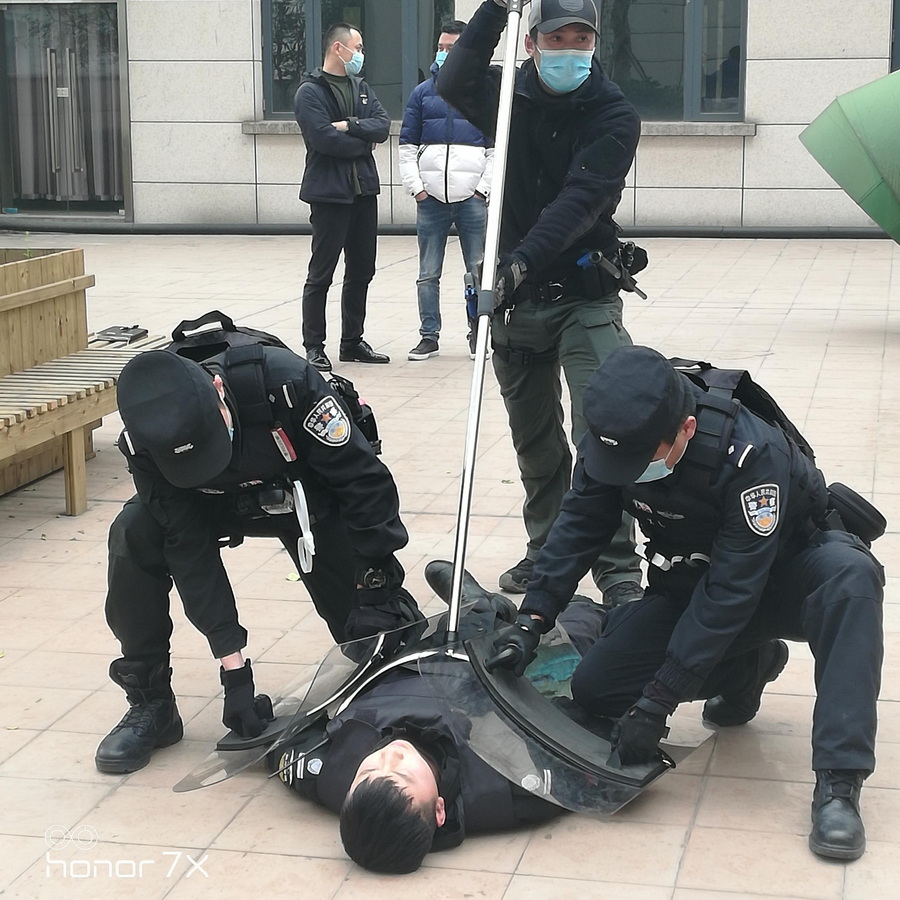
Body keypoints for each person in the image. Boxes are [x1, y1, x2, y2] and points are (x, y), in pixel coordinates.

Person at [487, 345, 885, 862]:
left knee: (850, 577)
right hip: (694, 580)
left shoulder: (750, 454)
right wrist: (532, 618)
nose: (628, 472)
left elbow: (732, 591)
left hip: (784, 577)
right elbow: (578, 525)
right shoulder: (615, 437)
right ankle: (749, 667)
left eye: (641, 462)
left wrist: (660, 700)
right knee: (597, 688)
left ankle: (839, 781)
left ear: (686, 429)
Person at [95, 344, 420, 775]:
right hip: (212, 506)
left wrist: (374, 584)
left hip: (305, 495)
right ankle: (151, 703)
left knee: (369, 626)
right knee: (133, 531)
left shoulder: (286, 385)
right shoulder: (145, 441)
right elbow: (188, 549)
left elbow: (364, 482)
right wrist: (234, 672)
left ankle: (400, 657)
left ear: (218, 388)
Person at [437, 0, 643, 602]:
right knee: (535, 441)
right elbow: (453, 81)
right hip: (514, 303)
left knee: (603, 428)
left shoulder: (614, 114)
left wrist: (521, 261)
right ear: (532, 44)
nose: (571, 50)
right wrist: (495, 9)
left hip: (583, 294)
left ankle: (617, 569)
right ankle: (550, 551)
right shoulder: (508, 96)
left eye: (583, 39)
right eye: (558, 39)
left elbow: (581, 202)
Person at [272, 560, 607, 873]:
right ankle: (513, 609)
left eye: (368, 771)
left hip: (425, 660)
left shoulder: (327, 775)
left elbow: (283, 743)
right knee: (581, 626)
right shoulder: (502, 793)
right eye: (403, 774)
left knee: (397, 630)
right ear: (440, 810)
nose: (390, 757)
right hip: (510, 680)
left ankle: (476, 606)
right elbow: (582, 759)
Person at [294, 22, 391, 372]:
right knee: (322, 273)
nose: (361, 54)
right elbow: (323, 139)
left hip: (363, 192)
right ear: (339, 48)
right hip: (329, 195)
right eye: (358, 47)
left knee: (362, 270)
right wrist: (364, 143)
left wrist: (350, 125)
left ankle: (352, 341)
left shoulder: (361, 87)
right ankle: (314, 346)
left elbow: (382, 125)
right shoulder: (310, 92)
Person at [399, 20, 494, 361]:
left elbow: (495, 149)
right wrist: (417, 189)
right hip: (431, 201)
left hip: (472, 201)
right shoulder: (422, 93)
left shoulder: (482, 94)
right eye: (440, 47)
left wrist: (482, 190)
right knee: (428, 274)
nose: (443, 53)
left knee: (479, 272)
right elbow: (406, 147)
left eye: (451, 48)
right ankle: (429, 336)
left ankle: (479, 335)